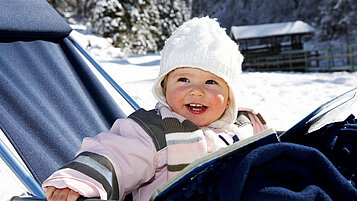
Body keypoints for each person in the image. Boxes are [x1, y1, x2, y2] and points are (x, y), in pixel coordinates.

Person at [43, 16, 263, 201]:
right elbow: (115, 156)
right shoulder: (154, 133)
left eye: (211, 82)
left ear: (228, 97)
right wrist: (80, 181)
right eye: (184, 79)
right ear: (165, 87)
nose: (196, 91)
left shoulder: (244, 126)